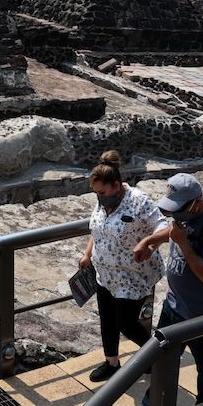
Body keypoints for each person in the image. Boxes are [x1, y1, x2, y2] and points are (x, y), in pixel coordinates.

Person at [123, 173, 203, 406]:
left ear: (196, 203)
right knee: (161, 360)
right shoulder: (185, 215)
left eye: (179, 209)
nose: (176, 215)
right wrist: (150, 241)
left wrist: (183, 244)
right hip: (174, 306)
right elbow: (172, 231)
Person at [79, 151, 167, 382]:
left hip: (132, 275)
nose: (99, 197)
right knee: (107, 320)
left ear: (116, 185)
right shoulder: (102, 201)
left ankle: (157, 355)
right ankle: (112, 363)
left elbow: (164, 227)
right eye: (96, 192)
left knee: (126, 323)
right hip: (104, 273)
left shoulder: (138, 201)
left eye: (102, 192)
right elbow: (97, 230)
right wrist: (88, 254)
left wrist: (147, 244)